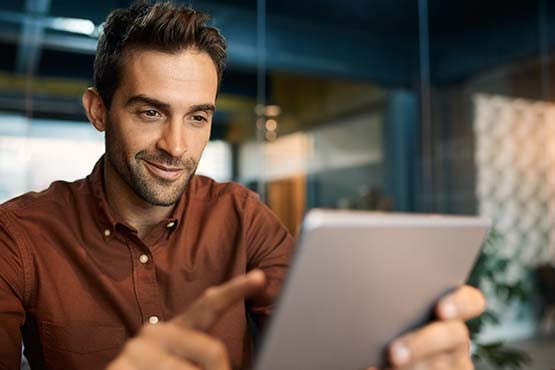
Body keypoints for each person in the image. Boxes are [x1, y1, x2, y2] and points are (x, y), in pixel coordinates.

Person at [0, 2, 485, 370]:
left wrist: (397, 352)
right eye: (151, 112)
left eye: (197, 117)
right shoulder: (19, 236)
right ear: (98, 111)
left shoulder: (242, 216)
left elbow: (316, 354)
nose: (176, 145)